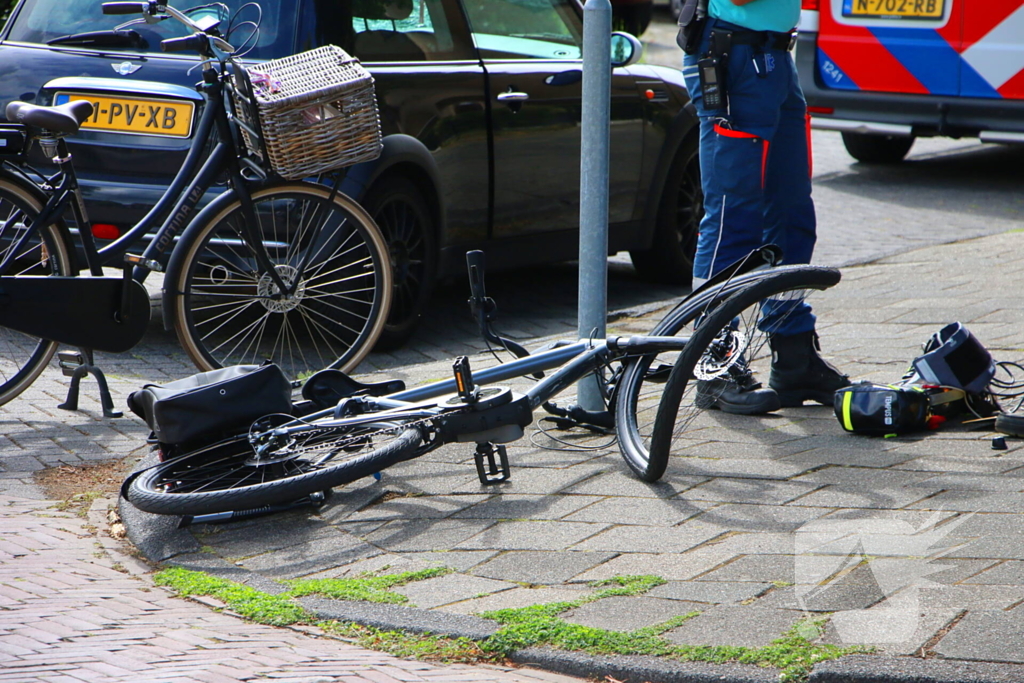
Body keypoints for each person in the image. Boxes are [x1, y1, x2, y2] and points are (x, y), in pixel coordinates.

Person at [677, 0, 850, 415]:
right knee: (733, 219)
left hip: (772, 59)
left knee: (790, 215)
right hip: (734, 58)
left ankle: (793, 359)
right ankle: (714, 363)